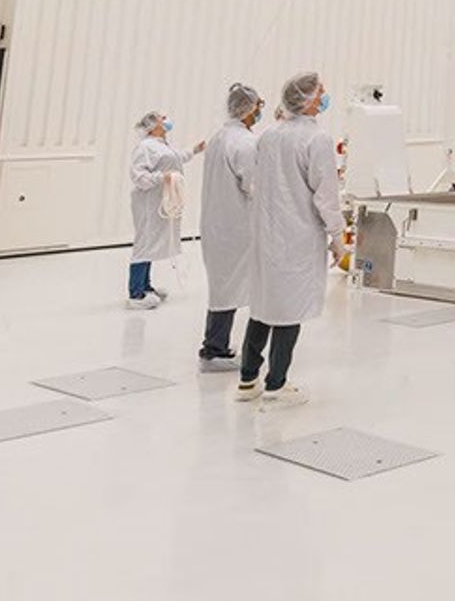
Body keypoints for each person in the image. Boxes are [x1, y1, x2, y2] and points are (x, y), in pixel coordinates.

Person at [237, 71, 344, 408]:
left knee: (263, 304)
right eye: (321, 92)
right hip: (297, 235)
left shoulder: (270, 135)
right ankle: (276, 385)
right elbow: (325, 194)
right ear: (307, 100)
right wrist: (337, 234)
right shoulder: (317, 139)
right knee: (289, 308)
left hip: (267, 232)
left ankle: (247, 379)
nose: (324, 96)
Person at [197, 83, 262, 370]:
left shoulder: (220, 137)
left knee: (223, 287)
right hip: (235, 227)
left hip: (218, 224)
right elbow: (253, 184)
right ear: (248, 109)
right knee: (229, 288)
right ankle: (214, 350)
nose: (259, 111)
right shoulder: (244, 142)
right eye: (258, 106)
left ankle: (216, 345)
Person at [127, 110, 201, 309]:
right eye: (162, 118)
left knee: (150, 245)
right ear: (153, 126)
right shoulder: (145, 147)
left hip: (158, 202)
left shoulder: (161, 145)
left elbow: (175, 158)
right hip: (148, 204)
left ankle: (146, 287)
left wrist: (195, 150)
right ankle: (135, 294)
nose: (166, 119)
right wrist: (162, 177)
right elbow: (138, 176)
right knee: (144, 245)